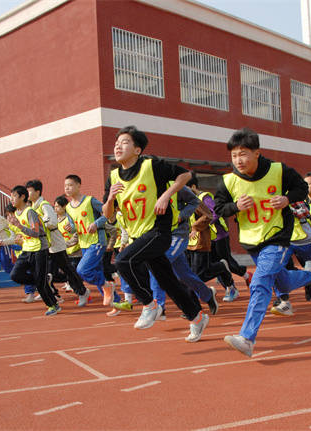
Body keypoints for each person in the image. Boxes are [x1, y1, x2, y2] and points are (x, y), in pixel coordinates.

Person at [214, 127, 311, 356]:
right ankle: (310, 275)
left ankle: (247, 337)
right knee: (282, 283)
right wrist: (235, 207)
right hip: (251, 240)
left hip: (277, 236)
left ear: (257, 152)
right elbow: (218, 209)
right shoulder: (228, 181)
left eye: (243, 153)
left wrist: (287, 199)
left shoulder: (278, 170)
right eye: (234, 155)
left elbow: (302, 188)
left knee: (260, 282)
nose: (239, 160)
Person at [103, 125, 209, 342]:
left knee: (122, 261)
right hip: (137, 236)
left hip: (158, 232)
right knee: (168, 281)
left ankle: (150, 305)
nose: (117, 146)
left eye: (124, 142)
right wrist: (110, 199)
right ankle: (197, 317)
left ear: (137, 150)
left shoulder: (152, 166)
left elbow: (185, 174)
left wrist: (166, 195)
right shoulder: (113, 176)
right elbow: (109, 216)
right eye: (116, 142)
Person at [148, 183, 219, 318]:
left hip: (178, 235)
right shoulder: (145, 188)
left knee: (157, 263)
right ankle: (208, 295)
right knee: (183, 275)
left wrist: (182, 215)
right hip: (160, 236)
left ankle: (159, 308)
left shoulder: (175, 185)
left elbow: (197, 204)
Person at [27, 179, 85, 303]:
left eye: (30, 191)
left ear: (37, 192)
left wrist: (40, 224)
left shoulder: (44, 205)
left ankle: (82, 291)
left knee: (66, 268)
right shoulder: (32, 207)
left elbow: (52, 221)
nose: (28, 194)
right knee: (48, 272)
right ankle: (54, 294)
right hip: (43, 243)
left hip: (54, 241)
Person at [187, 174, 243, 301]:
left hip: (215, 236)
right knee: (201, 270)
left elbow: (213, 214)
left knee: (201, 271)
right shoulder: (187, 200)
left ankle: (232, 283)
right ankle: (226, 284)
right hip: (193, 240)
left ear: (193, 186)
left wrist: (200, 226)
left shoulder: (204, 197)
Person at [7, 185, 60, 316]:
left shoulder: (30, 212)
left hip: (39, 249)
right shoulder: (16, 214)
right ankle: (42, 279)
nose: (11, 199)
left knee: (40, 283)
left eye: (14, 196)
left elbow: (36, 233)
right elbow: (22, 232)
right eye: (11, 196)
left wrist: (19, 227)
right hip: (27, 248)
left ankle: (53, 305)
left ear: (23, 197)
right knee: (15, 275)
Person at [62, 175, 108, 308]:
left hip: (97, 241)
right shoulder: (69, 208)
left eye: (70, 185)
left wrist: (96, 223)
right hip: (83, 244)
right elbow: (74, 227)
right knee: (97, 271)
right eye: (65, 186)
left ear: (78, 185)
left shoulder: (90, 201)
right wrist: (70, 229)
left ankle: (107, 285)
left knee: (82, 270)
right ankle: (114, 301)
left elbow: (108, 212)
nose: (67, 188)